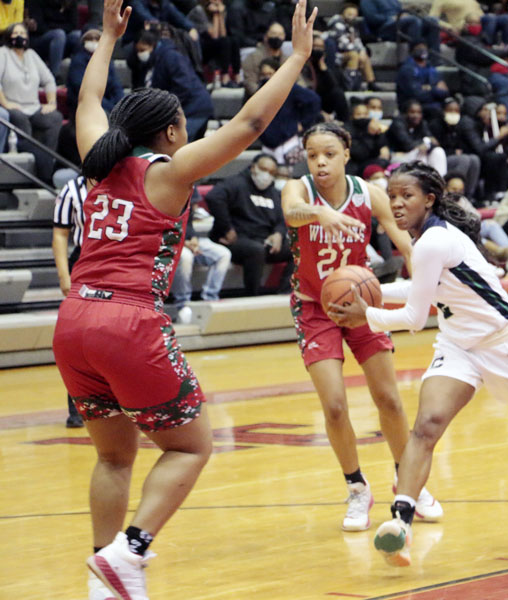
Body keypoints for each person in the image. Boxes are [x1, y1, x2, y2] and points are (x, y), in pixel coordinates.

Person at [52, 2, 316, 599]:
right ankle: (133, 550)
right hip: (126, 320)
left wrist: (108, 40)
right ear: (171, 132)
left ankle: (106, 577)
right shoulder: (167, 172)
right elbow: (248, 126)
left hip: (73, 323)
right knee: (193, 445)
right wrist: (297, 57)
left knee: (114, 458)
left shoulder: (100, 161)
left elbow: (87, 103)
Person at [326, 162, 508, 567]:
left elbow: (414, 317)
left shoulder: (433, 241)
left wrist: (367, 312)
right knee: (427, 425)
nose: (396, 204)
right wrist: (371, 291)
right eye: (391, 196)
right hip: (460, 345)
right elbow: (421, 290)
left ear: (429, 199)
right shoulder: (426, 239)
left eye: (406, 196)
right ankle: (401, 523)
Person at [281, 123, 442, 532]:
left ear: (346, 154)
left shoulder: (369, 194)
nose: (320, 161)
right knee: (334, 405)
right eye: (313, 154)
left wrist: (423, 282)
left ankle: (407, 481)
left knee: (388, 398)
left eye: (329, 153)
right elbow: (290, 213)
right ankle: (357, 488)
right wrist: (320, 212)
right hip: (314, 308)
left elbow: (405, 242)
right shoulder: (297, 190)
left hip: (362, 304)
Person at [206, 153, 292, 296]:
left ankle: (285, 294)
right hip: (236, 240)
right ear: (253, 168)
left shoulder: (274, 193)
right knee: (256, 251)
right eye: (264, 169)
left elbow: (281, 219)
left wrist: (278, 233)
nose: (267, 175)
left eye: (272, 173)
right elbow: (213, 197)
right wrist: (226, 228)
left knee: (297, 249)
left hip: (264, 241)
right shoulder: (236, 183)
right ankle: (252, 297)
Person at [0, 22, 63, 183]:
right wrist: (6, 103)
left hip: (34, 107)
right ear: (9, 37)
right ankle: (37, 171)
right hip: (13, 106)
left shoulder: (32, 55)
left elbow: (49, 80)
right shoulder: (3, 54)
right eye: (15, 33)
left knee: (55, 118)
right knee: (19, 118)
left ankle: (47, 161)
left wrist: (52, 102)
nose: (19, 36)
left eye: (22, 33)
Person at [51, 174, 88, 429]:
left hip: (117, 262)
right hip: (83, 261)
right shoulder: (73, 189)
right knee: (77, 338)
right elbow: (61, 234)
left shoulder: (126, 180)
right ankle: (76, 408)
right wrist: (65, 276)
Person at [133, 29, 214, 141]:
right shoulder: (154, 61)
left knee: (178, 146)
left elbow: (184, 86)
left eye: (143, 50)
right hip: (186, 109)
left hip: (194, 108)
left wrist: (165, 108)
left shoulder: (171, 56)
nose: (141, 54)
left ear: (152, 45)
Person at [171, 196, 232, 324]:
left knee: (223, 254)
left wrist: (194, 238)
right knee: (185, 256)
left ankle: (210, 299)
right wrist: (182, 242)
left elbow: (189, 223)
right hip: (169, 241)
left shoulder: (188, 192)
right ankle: (183, 305)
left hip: (188, 240)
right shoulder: (165, 191)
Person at [258, 57, 321, 164]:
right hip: (267, 144)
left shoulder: (288, 88)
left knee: (285, 175)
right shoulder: (258, 92)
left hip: (287, 142)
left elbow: (314, 100)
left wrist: (303, 123)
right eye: (263, 75)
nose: (267, 77)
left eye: (270, 74)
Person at [429, 97, 481, 200]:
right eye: (450, 110)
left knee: (474, 159)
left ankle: (469, 195)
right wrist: (453, 151)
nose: (453, 113)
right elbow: (437, 148)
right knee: (464, 159)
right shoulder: (435, 125)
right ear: (443, 111)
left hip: (456, 156)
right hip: (442, 159)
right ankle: (454, 192)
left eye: (456, 111)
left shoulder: (460, 125)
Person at [66, 29, 125, 115]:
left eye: (97, 39)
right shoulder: (78, 60)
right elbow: (81, 87)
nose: (93, 42)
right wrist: (110, 106)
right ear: (83, 42)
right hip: (84, 103)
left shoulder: (107, 60)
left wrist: (120, 103)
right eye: (90, 39)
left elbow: (115, 84)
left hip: (105, 101)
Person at [387, 100, 447, 175]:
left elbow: (434, 142)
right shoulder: (398, 124)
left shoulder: (422, 123)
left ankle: (440, 180)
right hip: (399, 156)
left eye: (419, 112)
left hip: (417, 155)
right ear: (405, 113)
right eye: (412, 112)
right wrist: (421, 144)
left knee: (438, 151)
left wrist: (423, 144)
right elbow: (407, 145)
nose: (416, 115)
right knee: (421, 151)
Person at [326, 3, 377, 91]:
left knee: (364, 56)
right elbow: (342, 44)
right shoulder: (337, 24)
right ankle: (349, 84)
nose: (351, 17)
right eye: (349, 14)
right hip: (336, 54)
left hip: (348, 52)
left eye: (354, 15)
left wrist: (361, 51)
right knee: (354, 55)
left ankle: (371, 83)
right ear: (343, 13)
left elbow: (357, 41)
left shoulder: (352, 26)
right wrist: (358, 51)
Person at [24, 0, 81, 76]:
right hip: (40, 38)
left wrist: (56, 27)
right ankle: (55, 75)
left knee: (77, 35)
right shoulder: (36, 2)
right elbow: (39, 26)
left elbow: (73, 25)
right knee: (58, 34)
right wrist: (59, 28)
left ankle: (77, 74)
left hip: (62, 36)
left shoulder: (70, 2)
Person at [360, 0, 440, 52]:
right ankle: (416, 58)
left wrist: (407, 13)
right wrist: (392, 18)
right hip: (383, 29)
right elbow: (372, 19)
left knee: (432, 21)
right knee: (412, 21)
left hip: (400, 23)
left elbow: (400, 11)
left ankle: (435, 61)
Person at [396, 41, 449, 121]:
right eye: (419, 48)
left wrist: (429, 88)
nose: (422, 50)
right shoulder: (407, 69)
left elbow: (445, 92)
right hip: (411, 104)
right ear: (412, 50)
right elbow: (416, 94)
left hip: (432, 103)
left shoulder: (431, 67)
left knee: (452, 107)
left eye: (424, 48)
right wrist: (435, 89)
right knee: (436, 110)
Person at [242, 21, 287, 97]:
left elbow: (298, 80)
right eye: (273, 34)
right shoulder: (253, 57)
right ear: (266, 36)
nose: (277, 37)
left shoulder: (287, 59)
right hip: (258, 100)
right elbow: (250, 83)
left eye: (280, 35)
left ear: (284, 37)